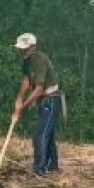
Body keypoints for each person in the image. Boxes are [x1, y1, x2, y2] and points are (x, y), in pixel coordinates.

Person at [12, 32, 62, 176]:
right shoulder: (26, 61)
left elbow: (39, 89)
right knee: (49, 135)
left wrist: (23, 108)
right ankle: (52, 166)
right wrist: (19, 98)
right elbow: (27, 80)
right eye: (21, 49)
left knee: (40, 135)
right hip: (42, 102)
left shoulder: (40, 60)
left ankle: (39, 169)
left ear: (32, 48)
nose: (22, 51)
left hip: (51, 100)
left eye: (25, 49)